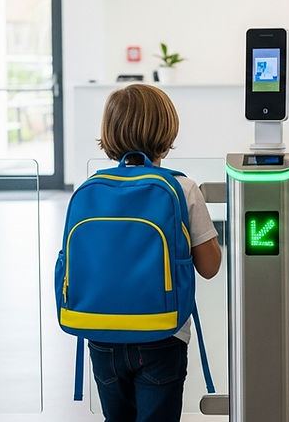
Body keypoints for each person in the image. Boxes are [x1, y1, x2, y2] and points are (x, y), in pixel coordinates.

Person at [91, 83, 222, 422]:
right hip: (162, 334)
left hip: (101, 334)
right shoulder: (182, 188)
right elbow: (209, 266)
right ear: (166, 130)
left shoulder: (92, 188)